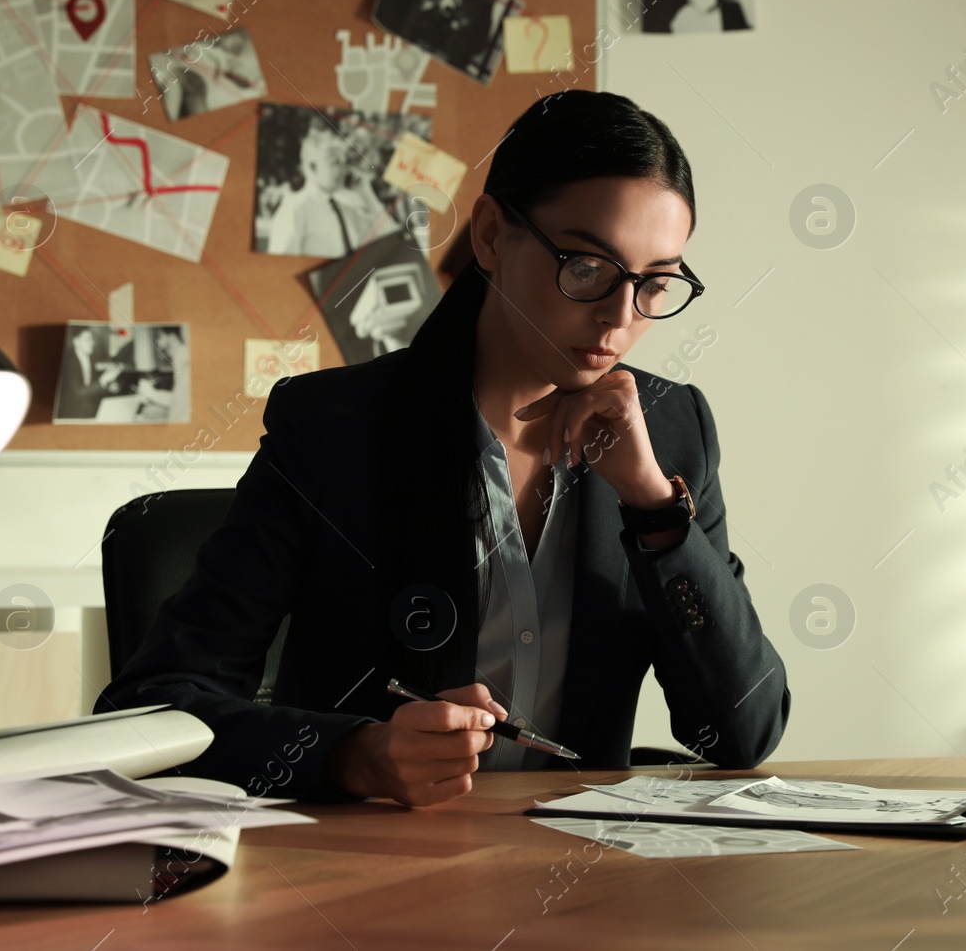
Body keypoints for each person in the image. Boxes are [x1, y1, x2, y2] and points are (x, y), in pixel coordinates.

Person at [98, 90, 790, 807]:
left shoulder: (672, 432)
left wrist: (652, 506)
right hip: (371, 877)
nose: (621, 316)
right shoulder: (334, 426)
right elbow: (150, 708)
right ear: (491, 234)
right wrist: (351, 754)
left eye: (655, 282)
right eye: (587, 266)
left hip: (577, 871)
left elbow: (743, 730)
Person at [265, 125, 399, 257]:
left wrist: (368, 195)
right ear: (313, 167)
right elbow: (279, 268)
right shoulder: (295, 209)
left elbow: (390, 240)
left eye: (344, 162)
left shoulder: (350, 206)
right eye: (335, 162)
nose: (344, 169)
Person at [55, 326, 125, 420]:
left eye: (92, 339)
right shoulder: (67, 362)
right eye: (88, 339)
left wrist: (109, 388)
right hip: (71, 414)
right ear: (76, 342)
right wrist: (103, 381)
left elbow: (93, 387)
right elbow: (77, 393)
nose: (92, 343)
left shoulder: (92, 358)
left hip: (91, 410)